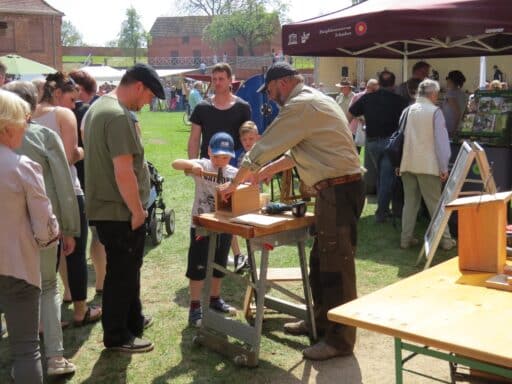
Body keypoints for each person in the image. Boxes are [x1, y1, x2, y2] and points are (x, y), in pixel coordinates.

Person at [219, 62, 365, 361]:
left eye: (270, 90)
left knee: (336, 267)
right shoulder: (310, 101)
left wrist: (235, 183)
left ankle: (339, 341)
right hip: (333, 190)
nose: (270, 97)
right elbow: (296, 150)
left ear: (283, 82)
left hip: (338, 189)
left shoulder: (301, 105)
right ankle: (320, 323)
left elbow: (265, 145)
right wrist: (265, 171)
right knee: (321, 261)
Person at [84, 63, 165, 353]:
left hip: (110, 208)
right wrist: (137, 210)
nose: (147, 103)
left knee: (128, 269)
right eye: (149, 97)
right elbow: (123, 170)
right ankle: (118, 335)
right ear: (139, 87)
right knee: (122, 272)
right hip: (119, 211)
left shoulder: (99, 107)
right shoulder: (117, 116)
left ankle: (133, 321)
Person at [5, 81, 79, 376]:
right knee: (48, 287)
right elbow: (63, 183)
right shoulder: (44, 136)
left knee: (16, 292)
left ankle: (25, 359)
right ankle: (55, 357)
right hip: (42, 228)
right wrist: (70, 228)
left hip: (11, 235)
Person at [0, 89, 60, 384]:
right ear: (7, 125)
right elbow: (45, 230)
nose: (26, 125)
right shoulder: (22, 166)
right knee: (26, 351)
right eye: (23, 120)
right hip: (17, 268)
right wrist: (52, 235)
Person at [32, 72, 102, 326]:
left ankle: (42, 318)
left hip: (36, 192)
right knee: (75, 252)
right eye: (72, 99)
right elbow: (70, 156)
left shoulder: (28, 114)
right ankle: (80, 310)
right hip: (67, 192)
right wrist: (85, 150)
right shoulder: (63, 115)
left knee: (43, 255)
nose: (75, 105)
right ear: (58, 94)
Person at [172, 132, 239, 327]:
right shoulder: (203, 165)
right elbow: (175, 163)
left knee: (220, 263)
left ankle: (214, 298)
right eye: (216, 156)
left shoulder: (233, 174)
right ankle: (194, 305)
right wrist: (192, 166)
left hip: (224, 225)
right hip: (201, 226)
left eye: (225, 157)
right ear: (209, 151)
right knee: (198, 266)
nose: (220, 161)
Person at [399, 79, 456, 251]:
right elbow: (441, 143)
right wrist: (444, 167)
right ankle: (445, 240)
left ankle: (405, 239)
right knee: (435, 205)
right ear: (432, 94)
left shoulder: (408, 110)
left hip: (408, 162)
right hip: (428, 165)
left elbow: (401, 137)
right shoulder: (435, 112)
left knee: (410, 203)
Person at [349, 70, 408, 223]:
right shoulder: (400, 101)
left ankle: (387, 210)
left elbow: (350, 114)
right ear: (394, 84)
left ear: (379, 84)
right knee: (387, 177)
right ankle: (382, 213)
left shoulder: (368, 98)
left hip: (373, 142)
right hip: (391, 143)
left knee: (383, 175)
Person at [69, 69, 106, 295]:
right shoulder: (88, 112)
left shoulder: (62, 112)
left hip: (70, 180)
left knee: (72, 237)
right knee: (96, 234)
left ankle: (70, 291)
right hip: (88, 179)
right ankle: (101, 283)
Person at [188, 63, 251, 163]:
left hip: (234, 166)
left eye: (221, 79)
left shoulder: (243, 107)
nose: (217, 83)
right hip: (207, 166)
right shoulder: (201, 108)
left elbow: (249, 139)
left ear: (230, 80)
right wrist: (193, 165)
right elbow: (194, 140)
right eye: (214, 79)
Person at [230, 120, 261, 272]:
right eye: (244, 140)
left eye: (251, 139)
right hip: (241, 197)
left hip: (254, 200)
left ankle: (250, 257)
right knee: (231, 225)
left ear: (258, 138)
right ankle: (238, 256)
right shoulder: (242, 156)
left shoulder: (261, 156)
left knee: (252, 230)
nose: (247, 142)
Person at [441, 70, 467, 137]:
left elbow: (457, 112)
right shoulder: (462, 94)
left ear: (450, 80)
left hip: (450, 129)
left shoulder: (450, 94)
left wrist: (454, 130)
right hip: (460, 127)